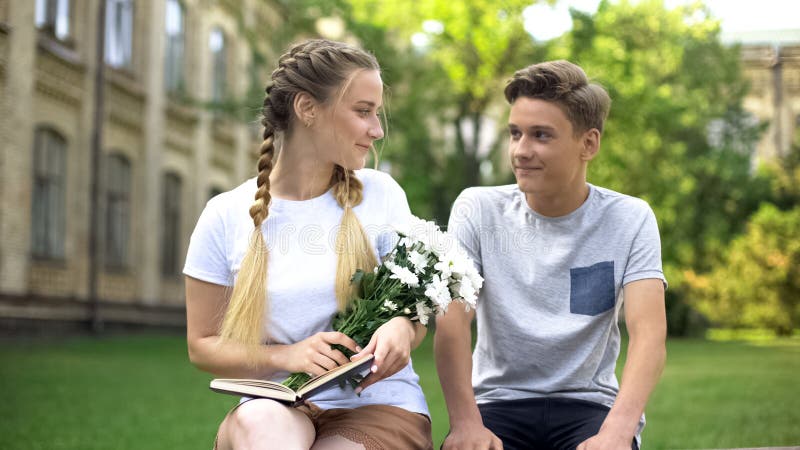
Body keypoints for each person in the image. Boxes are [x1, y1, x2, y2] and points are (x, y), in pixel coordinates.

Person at [183, 39, 432, 450]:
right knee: (266, 434)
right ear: (307, 109)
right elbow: (202, 345)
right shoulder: (225, 214)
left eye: (376, 112)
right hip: (276, 403)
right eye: (363, 111)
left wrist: (403, 328)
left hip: (376, 406)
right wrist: (287, 356)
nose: (377, 129)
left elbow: (414, 308)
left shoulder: (382, 194)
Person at [435, 60, 667, 450]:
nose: (521, 151)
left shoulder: (629, 218)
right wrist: (464, 423)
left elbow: (649, 334)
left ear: (588, 144)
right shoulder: (477, 209)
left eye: (541, 135)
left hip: (589, 405)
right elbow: (452, 322)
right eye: (515, 134)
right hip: (497, 403)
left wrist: (617, 431)